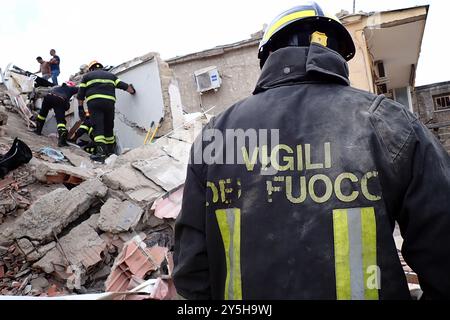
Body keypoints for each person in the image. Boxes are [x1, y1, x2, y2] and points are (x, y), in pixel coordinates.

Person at [173, 2, 450, 300]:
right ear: (338, 56)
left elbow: (191, 270)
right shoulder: (388, 122)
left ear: (268, 56)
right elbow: (442, 248)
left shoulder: (217, 135)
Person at [77, 60, 136, 163]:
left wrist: (80, 108)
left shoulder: (87, 76)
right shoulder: (111, 75)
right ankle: (110, 152)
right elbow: (124, 86)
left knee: (98, 127)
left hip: (94, 104)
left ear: (91, 69)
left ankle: (101, 153)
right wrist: (132, 91)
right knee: (109, 126)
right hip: (109, 103)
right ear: (101, 68)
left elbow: (80, 94)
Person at [34, 81, 78, 147]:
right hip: (59, 99)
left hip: (48, 97)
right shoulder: (71, 88)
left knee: (42, 114)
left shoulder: (58, 87)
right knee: (60, 121)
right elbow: (82, 89)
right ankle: (62, 141)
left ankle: (38, 130)